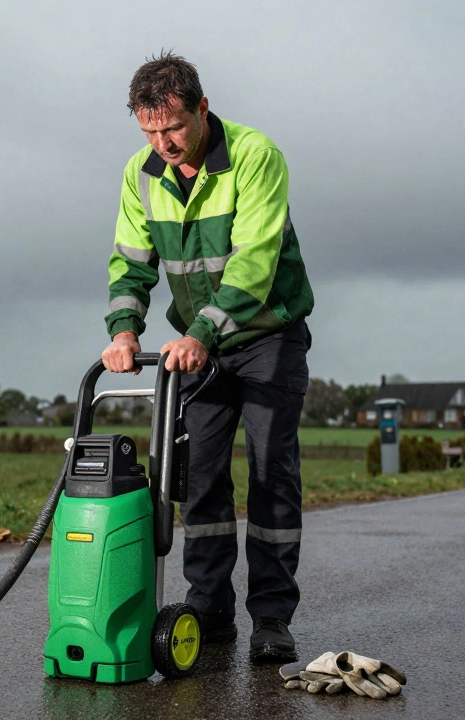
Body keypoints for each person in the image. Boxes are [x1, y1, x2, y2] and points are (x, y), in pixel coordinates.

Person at [100, 51, 314, 663]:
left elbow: (254, 263)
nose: (163, 143)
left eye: (173, 128)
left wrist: (199, 332)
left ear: (202, 108)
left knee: (272, 475)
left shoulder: (255, 155)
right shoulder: (141, 174)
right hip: (198, 350)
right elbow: (130, 262)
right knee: (200, 479)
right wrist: (123, 332)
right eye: (150, 132)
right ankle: (209, 608)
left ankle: (271, 615)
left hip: (268, 335)